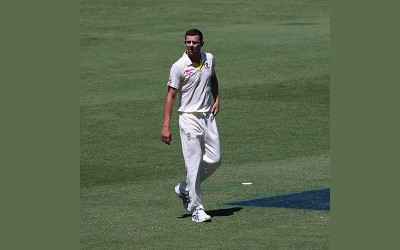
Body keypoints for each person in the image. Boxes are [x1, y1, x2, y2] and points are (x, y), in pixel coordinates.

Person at [160, 29, 222, 223]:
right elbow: (170, 96)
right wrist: (166, 126)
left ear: (202, 43)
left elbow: (212, 77)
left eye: (195, 42)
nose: (191, 45)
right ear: (184, 43)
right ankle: (197, 209)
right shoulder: (178, 66)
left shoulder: (209, 58)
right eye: (188, 42)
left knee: (215, 159)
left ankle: (184, 188)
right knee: (193, 164)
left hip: (208, 117)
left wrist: (217, 99)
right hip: (188, 119)